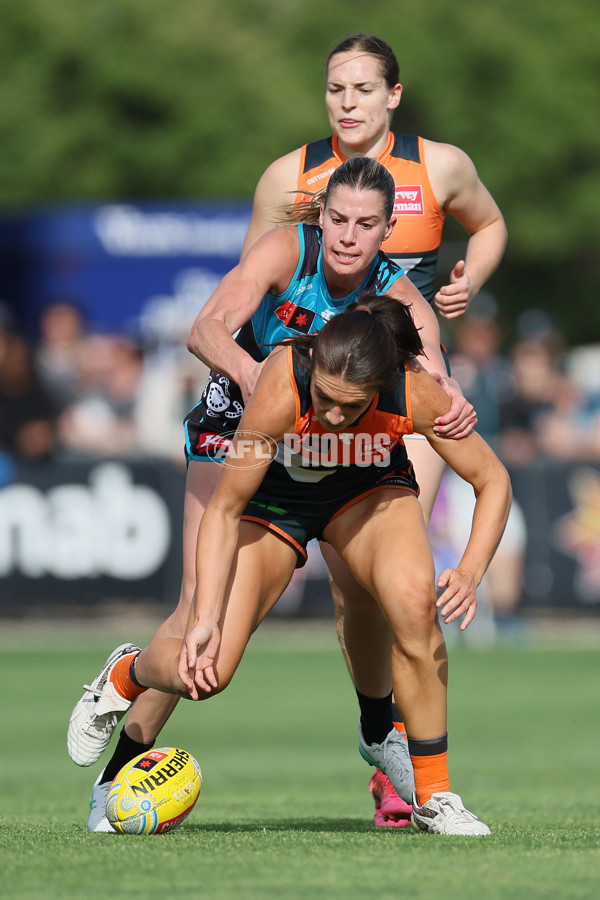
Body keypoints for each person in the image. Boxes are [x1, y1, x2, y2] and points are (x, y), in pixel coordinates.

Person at [72, 157, 474, 832]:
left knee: (372, 585)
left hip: (328, 445)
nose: (347, 236)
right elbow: (204, 329)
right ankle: (115, 770)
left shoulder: (399, 295)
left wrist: (451, 397)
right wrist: (260, 378)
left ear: (388, 231)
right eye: (338, 219)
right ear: (323, 218)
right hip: (242, 424)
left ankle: (381, 732)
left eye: (366, 224)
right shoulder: (288, 249)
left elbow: (432, 362)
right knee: (200, 613)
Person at [241, 31, 507, 823]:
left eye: (363, 89)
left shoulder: (441, 165)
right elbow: (253, 289)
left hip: (413, 400)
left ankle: (405, 777)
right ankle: (379, 729)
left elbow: (489, 225)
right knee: (356, 587)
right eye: (335, 90)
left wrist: (469, 279)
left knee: (404, 589)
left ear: (394, 94)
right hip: (319, 397)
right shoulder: (291, 177)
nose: (347, 103)